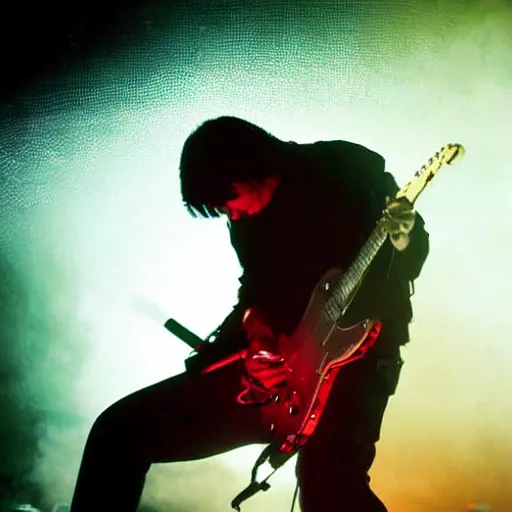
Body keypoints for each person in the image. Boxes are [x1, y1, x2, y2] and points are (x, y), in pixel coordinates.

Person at [69, 116, 429, 512]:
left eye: (229, 200)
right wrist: (257, 336)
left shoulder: (343, 167)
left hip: (355, 364)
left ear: (250, 166)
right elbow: (254, 294)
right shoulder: (246, 225)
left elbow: (412, 253)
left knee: (330, 491)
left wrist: (403, 235)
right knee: (118, 431)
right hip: (276, 378)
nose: (232, 216)